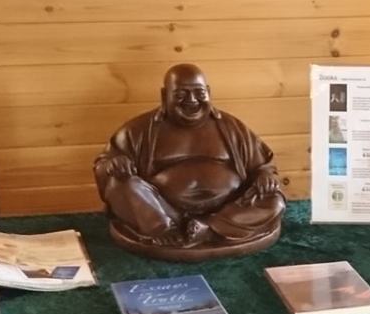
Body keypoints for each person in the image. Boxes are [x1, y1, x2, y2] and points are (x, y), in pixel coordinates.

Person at [93, 63, 286, 259]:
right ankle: (165, 229)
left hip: (229, 208)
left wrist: (265, 175)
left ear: (209, 92)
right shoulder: (138, 130)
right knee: (120, 184)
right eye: (180, 94)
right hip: (164, 211)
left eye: (199, 92)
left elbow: (263, 164)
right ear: (164, 95)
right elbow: (105, 162)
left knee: (274, 201)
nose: (191, 100)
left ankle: (209, 228)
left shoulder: (232, 128)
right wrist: (115, 162)